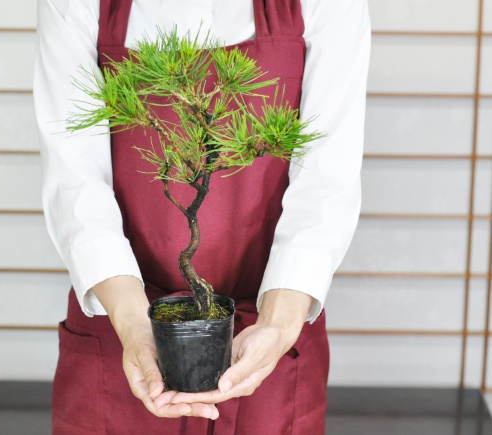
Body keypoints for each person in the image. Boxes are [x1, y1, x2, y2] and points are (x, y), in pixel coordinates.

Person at [33, 0, 370, 433]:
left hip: (272, 329)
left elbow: (327, 175)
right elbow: (73, 177)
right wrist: (135, 323)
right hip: (124, 327)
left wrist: (279, 323)